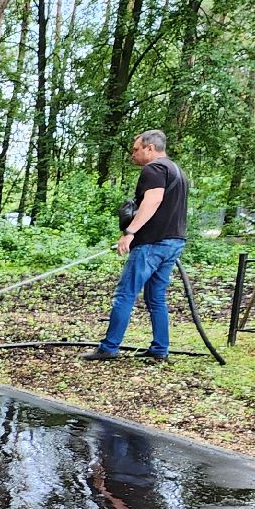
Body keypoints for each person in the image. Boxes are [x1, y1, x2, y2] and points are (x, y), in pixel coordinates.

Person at [83, 130, 188, 362]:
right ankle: (160, 349)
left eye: (136, 149)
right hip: (174, 242)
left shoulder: (154, 169)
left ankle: (109, 348)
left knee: (125, 294)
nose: (133, 154)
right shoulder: (177, 171)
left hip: (151, 243)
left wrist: (130, 233)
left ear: (150, 148)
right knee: (156, 297)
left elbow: (153, 200)